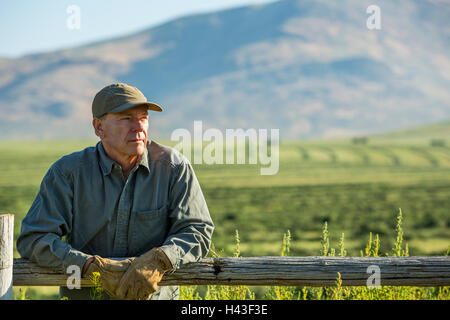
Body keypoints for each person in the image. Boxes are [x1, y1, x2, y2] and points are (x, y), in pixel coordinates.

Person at [17, 83, 214, 300]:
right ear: (99, 127)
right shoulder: (68, 173)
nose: (139, 127)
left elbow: (197, 230)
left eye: (143, 117)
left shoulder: (174, 168)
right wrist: (87, 266)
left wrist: (160, 259)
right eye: (126, 118)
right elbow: (34, 238)